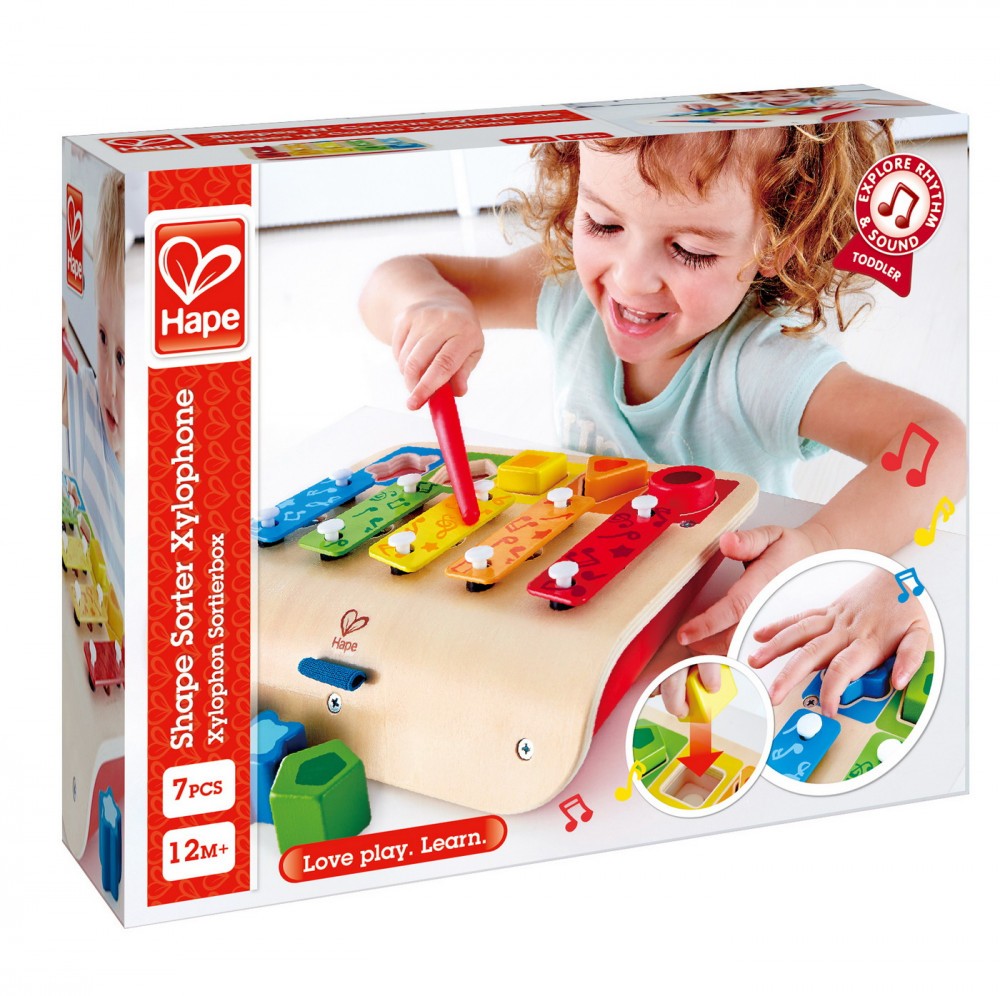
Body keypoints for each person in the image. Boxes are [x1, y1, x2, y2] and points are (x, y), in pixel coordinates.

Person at [359, 124, 965, 707]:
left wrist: (819, 543)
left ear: (777, 242)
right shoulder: (566, 290)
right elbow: (394, 278)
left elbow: (941, 441)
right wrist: (426, 304)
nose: (630, 278)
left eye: (690, 251)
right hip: (568, 600)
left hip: (696, 631)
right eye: (603, 223)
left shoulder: (761, 367)